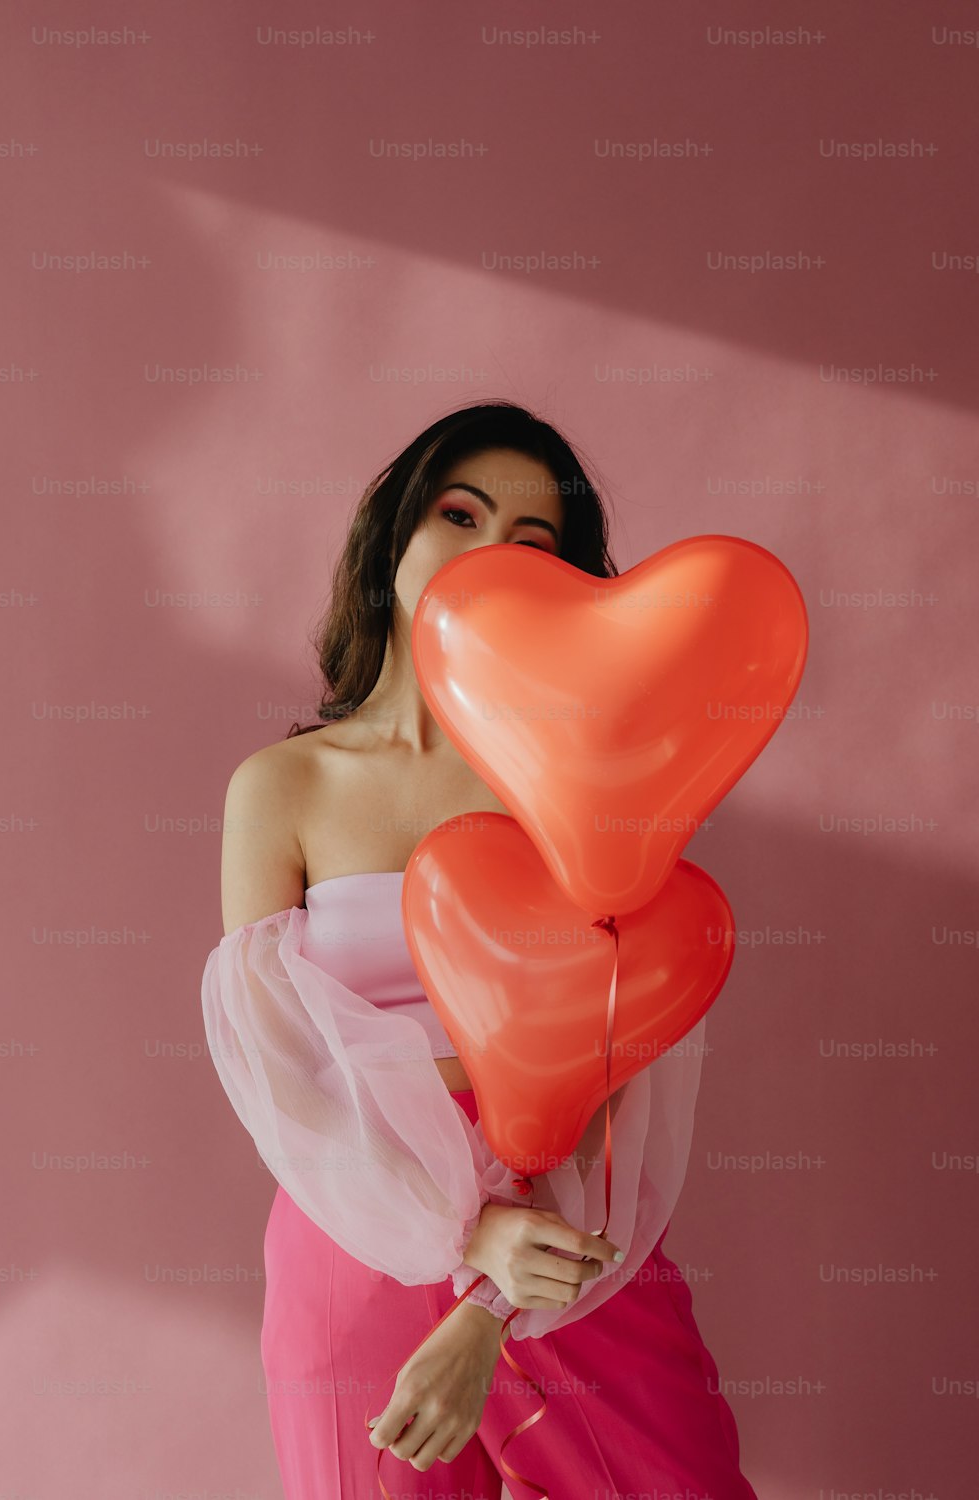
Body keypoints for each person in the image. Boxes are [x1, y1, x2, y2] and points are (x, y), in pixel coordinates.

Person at [201, 399, 760, 1498]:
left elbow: (614, 1056)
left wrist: (497, 1284)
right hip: (356, 1231)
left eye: (533, 542)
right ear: (393, 538)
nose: (487, 555)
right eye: (459, 514)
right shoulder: (284, 788)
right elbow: (285, 1076)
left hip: (564, 1228)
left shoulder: (578, 784)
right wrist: (460, 1240)